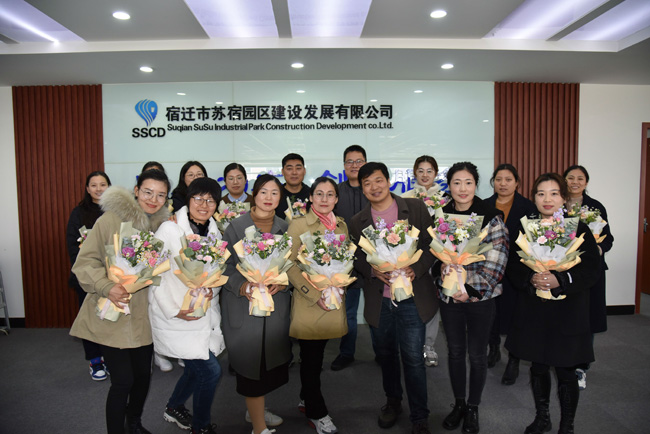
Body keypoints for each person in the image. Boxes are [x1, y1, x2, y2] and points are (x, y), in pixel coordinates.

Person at [70, 169, 171, 434]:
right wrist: (107, 286)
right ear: (136, 191)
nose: (153, 199)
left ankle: (133, 423)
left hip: (144, 316)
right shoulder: (110, 220)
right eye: (148, 192)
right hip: (112, 312)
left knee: (142, 378)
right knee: (123, 380)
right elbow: (85, 262)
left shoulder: (163, 228)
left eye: (161, 195)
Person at [505, 173, 600, 434]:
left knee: (566, 370)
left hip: (568, 311)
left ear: (564, 197)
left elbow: (591, 269)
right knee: (538, 367)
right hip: (534, 309)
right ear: (534, 198)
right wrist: (530, 278)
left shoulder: (578, 228)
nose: (547, 199)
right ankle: (542, 417)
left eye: (554, 193)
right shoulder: (526, 227)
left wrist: (562, 279)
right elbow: (513, 265)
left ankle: (567, 425)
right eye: (541, 193)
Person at [348, 162, 437, 434]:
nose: (374, 187)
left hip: (412, 297)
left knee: (413, 358)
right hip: (381, 300)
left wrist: (416, 268)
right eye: (367, 183)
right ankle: (393, 402)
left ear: (388, 181)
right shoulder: (358, 221)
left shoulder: (416, 208)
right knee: (386, 356)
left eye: (378, 180)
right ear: (363, 189)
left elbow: (432, 246)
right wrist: (371, 270)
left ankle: (420, 415)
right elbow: (355, 258)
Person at [434, 162, 508, 434]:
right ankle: (459, 403)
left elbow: (497, 263)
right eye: (456, 183)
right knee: (455, 352)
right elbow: (432, 253)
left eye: (468, 182)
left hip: (481, 299)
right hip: (449, 298)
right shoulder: (441, 215)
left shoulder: (491, 217)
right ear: (449, 186)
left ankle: (473, 407)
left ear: (476, 185)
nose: (462, 188)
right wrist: (441, 271)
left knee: (477, 355)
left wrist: (468, 289)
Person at [150, 177, 224, 434]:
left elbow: (216, 272)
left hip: (202, 313)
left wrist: (211, 289)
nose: (204, 205)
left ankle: (174, 406)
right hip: (176, 314)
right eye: (198, 198)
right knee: (210, 372)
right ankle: (201, 427)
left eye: (210, 200)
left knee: (195, 369)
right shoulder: (168, 229)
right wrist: (174, 310)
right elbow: (152, 274)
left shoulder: (215, 232)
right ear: (188, 199)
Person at [221, 174, 290, 434]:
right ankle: (259, 428)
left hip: (274, 306)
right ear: (254, 194)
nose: (268, 198)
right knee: (251, 366)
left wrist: (283, 283)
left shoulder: (285, 227)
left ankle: (255, 412)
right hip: (244, 306)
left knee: (268, 366)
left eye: (274, 193)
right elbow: (224, 266)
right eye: (263, 192)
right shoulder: (235, 227)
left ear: (280, 197)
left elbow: (295, 267)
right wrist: (243, 285)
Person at [286, 177, 348, 434]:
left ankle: (306, 398)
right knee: (311, 359)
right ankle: (317, 412)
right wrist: (313, 293)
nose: (324, 199)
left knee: (317, 355)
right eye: (319, 194)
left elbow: (344, 260)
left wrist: (339, 283)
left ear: (336, 199)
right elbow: (288, 264)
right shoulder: (298, 225)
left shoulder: (341, 226)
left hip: (331, 298)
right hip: (309, 301)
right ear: (310, 198)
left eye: (330, 194)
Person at [484, 164, 537, 385]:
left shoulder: (529, 207)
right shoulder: (484, 206)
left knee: (517, 316)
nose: (503, 184)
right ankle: (494, 348)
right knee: (491, 314)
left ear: (517, 183)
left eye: (508, 180)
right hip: (490, 269)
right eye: (498, 179)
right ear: (493, 182)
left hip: (518, 270)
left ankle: (514, 360)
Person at [564, 164, 614, 390]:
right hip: (565, 269)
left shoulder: (596, 207)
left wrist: (598, 249)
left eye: (580, 178)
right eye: (571, 178)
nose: (575, 182)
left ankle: (581, 367)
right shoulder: (558, 205)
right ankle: (563, 359)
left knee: (588, 318)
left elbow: (608, 238)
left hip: (591, 270)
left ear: (586, 182)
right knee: (567, 316)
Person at [66, 170, 112, 381]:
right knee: (90, 319)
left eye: (103, 184)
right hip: (87, 276)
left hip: (114, 276)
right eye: (94, 185)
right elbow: (72, 244)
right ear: (87, 189)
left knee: (110, 319)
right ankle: (95, 361)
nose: (99, 189)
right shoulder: (78, 213)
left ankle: (109, 358)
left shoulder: (115, 210)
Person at [403, 155, 444, 368]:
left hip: (440, 257)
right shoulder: (404, 198)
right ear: (414, 173)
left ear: (436, 173)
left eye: (429, 171)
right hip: (413, 258)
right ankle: (411, 344)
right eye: (421, 170)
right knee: (414, 300)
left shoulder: (446, 199)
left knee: (432, 301)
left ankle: (429, 345)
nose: (425, 175)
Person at [331, 144, 368, 371]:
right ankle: (347, 353)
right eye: (350, 161)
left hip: (375, 261)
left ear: (366, 163)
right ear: (344, 165)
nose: (354, 165)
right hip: (346, 263)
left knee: (377, 313)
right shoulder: (336, 192)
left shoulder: (373, 190)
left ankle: (384, 352)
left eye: (359, 161)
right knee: (349, 313)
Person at [275, 153, 310, 218]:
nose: (294, 172)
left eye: (298, 168)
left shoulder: (312, 194)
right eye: (289, 169)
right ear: (282, 172)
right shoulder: (276, 195)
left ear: (304, 171)